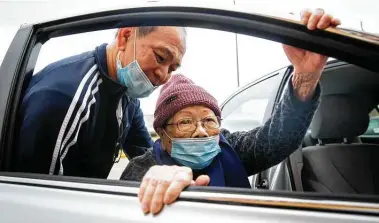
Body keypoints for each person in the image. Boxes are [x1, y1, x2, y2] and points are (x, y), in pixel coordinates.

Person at [120, 9, 342, 215]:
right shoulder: (141, 168)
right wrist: (154, 185)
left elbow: (278, 139)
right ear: (162, 133)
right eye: (185, 122)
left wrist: (305, 77)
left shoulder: (230, 148)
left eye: (209, 121)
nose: (202, 132)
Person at [12, 26, 186, 178]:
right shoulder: (64, 97)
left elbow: (145, 153)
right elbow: (36, 192)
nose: (164, 76)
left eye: (172, 69)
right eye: (161, 57)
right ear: (125, 37)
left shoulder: (127, 96)